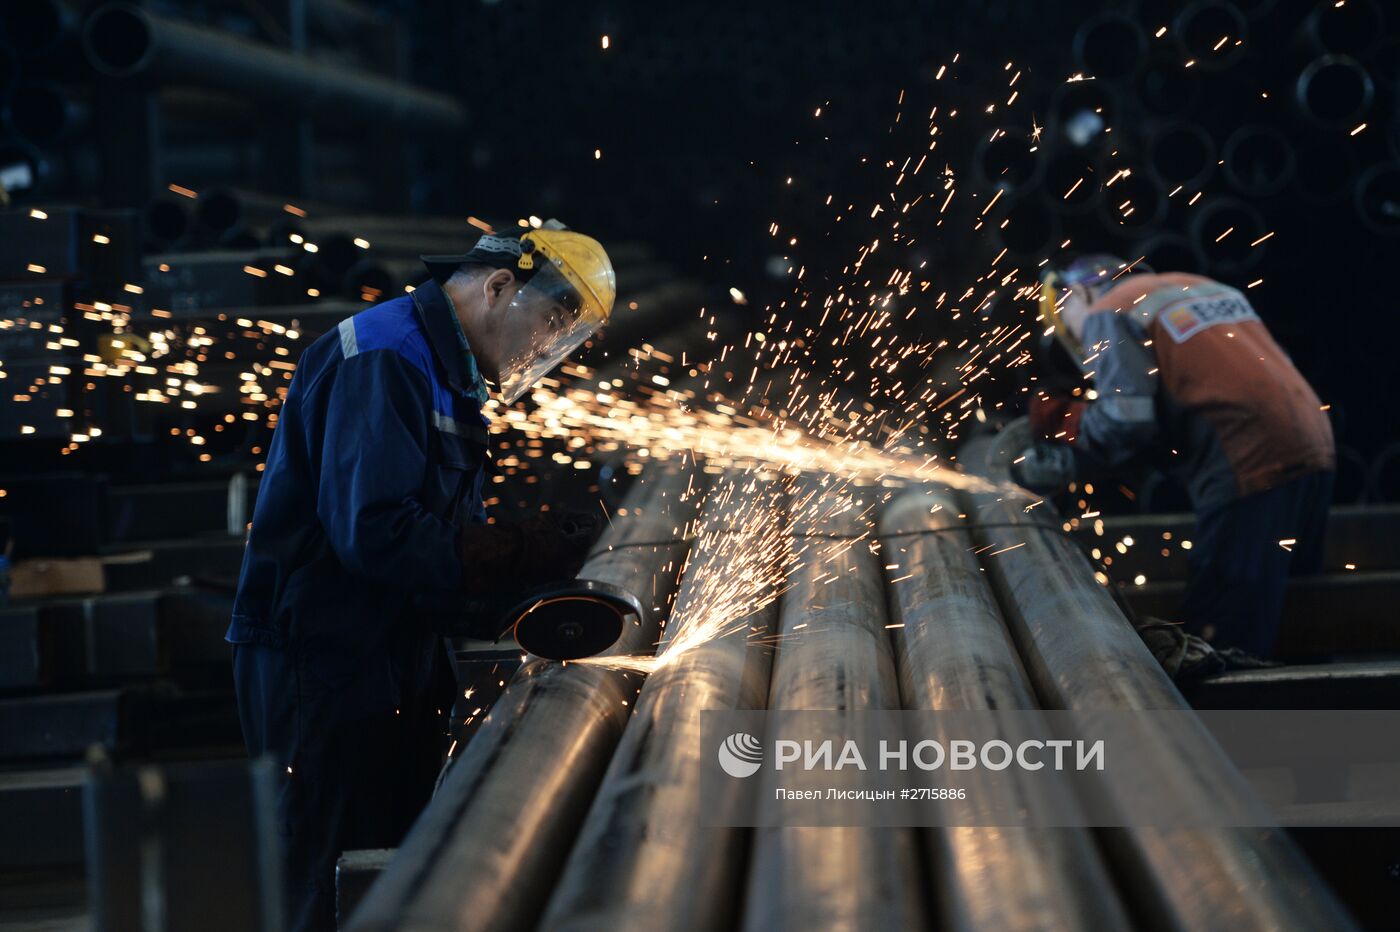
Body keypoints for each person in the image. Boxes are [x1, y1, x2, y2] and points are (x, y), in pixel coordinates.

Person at [227, 226, 616, 931]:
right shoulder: (388, 355)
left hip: (383, 650)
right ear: (500, 286)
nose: (545, 354)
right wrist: (515, 552)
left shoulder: (443, 367)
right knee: (332, 876)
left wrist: (517, 597)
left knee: (394, 868)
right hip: (322, 660)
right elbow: (374, 534)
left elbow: (433, 542)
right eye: (550, 327)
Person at [1015, 254, 1335, 658]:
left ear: (1076, 293)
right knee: (1296, 617)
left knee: (1216, 640)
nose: (1082, 346)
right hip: (1314, 445)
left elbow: (1127, 420)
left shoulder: (1107, 311)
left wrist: (1068, 452)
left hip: (1246, 458)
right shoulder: (1195, 287)